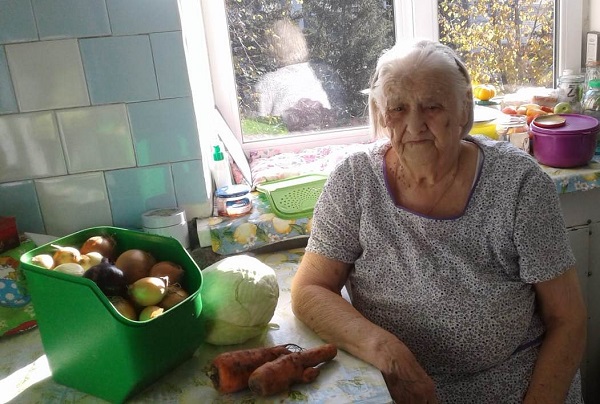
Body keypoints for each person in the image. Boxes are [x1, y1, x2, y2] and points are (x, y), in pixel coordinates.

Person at [290, 39, 587, 403]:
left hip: (511, 385)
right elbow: (309, 289)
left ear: (464, 108)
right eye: (398, 108)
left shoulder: (519, 185)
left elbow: (567, 320)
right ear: (382, 115)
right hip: (395, 387)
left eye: (432, 106)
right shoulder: (354, 181)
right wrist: (386, 351)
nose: (415, 124)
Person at [254, 19, 343, 131]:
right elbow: (336, 113)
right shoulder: (319, 73)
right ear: (301, 43)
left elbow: (257, 127)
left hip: (288, 140)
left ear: (272, 48)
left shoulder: (268, 82)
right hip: (329, 137)